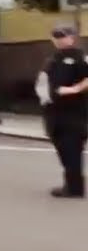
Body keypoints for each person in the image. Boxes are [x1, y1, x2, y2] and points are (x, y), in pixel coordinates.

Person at [36, 24, 88, 199]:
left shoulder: (80, 57)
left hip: (74, 112)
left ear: (72, 37)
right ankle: (71, 183)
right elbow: (43, 80)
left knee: (72, 149)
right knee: (63, 149)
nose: (59, 39)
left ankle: (75, 188)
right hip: (53, 111)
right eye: (55, 36)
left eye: (62, 35)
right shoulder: (52, 59)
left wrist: (74, 89)